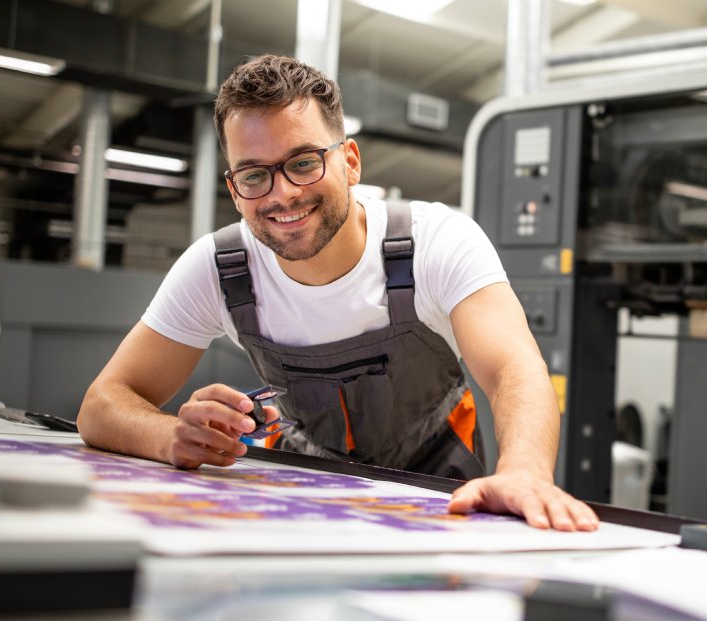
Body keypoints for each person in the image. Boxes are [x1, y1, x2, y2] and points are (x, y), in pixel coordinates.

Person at [77, 54, 598, 532]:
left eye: (304, 162)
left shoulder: (435, 242)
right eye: (254, 175)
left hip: (438, 498)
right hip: (297, 499)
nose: (283, 193)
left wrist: (525, 472)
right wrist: (171, 436)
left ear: (350, 161)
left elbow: (514, 370)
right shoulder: (219, 268)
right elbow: (102, 404)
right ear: (234, 190)